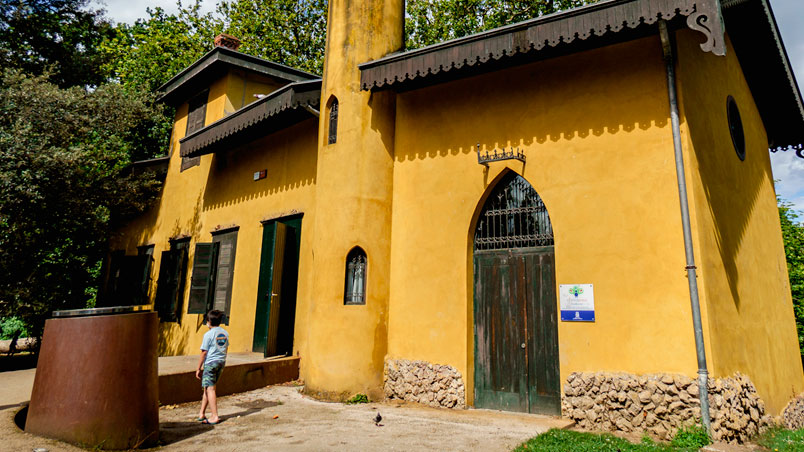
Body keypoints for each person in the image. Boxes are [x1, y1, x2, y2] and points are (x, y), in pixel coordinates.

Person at [196, 310, 229, 425]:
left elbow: (204, 352)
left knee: (210, 389)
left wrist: (198, 368)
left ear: (209, 321)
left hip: (210, 363)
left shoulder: (208, 335)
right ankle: (202, 413)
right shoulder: (225, 333)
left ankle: (214, 416)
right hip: (221, 362)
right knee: (208, 387)